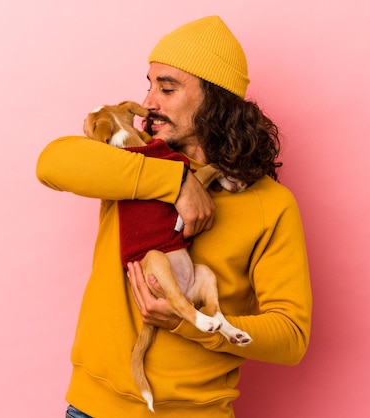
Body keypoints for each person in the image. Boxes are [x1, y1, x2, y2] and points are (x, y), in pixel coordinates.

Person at [37, 15, 312, 418]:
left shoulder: (272, 205)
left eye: (166, 88)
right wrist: (177, 181)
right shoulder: (131, 164)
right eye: (149, 85)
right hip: (94, 409)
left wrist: (191, 322)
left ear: (216, 102)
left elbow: (291, 336)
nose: (149, 102)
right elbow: (51, 163)